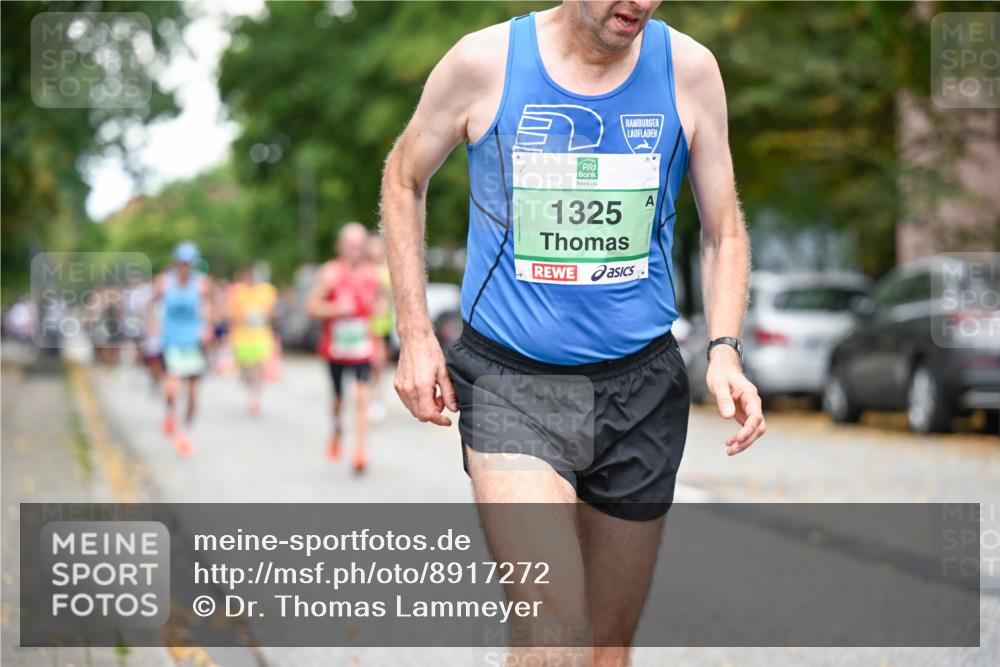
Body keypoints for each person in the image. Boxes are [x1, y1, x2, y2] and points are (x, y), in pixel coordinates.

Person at [380, 2, 766, 663]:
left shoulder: (690, 71)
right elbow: (404, 176)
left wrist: (725, 349)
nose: (638, 2)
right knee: (553, 630)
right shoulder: (484, 63)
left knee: (606, 649)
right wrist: (414, 331)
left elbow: (724, 229)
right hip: (513, 382)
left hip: (641, 386)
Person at [307, 223, 380, 474]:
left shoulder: (372, 274)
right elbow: (311, 306)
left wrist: (378, 310)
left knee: (361, 396)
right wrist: (336, 309)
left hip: (362, 348)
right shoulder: (330, 273)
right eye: (350, 246)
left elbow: (380, 304)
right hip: (336, 349)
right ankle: (337, 429)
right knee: (338, 398)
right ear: (339, 246)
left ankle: (360, 450)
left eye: (359, 246)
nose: (354, 251)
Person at [154, 242, 214, 457]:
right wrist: (152, 328)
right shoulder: (164, 282)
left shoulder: (202, 284)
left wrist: (208, 329)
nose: (185, 267)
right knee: (172, 387)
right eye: (182, 263)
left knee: (193, 392)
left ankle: (186, 433)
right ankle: (171, 412)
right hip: (171, 341)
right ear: (176, 263)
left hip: (193, 341)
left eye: (189, 263)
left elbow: (209, 308)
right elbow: (152, 306)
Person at [228, 264, 278, 416]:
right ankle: (247, 381)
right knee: (247, 370)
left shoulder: (267, 291)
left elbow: (273, 312)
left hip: (261, 337)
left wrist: (265, 316)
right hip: (242, 338)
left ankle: (255, 399)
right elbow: (232, 314)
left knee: (259, 368)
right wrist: (244, 318)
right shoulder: (238, 292)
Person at [367, 235, 395, 422]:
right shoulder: (365, 269)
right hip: (366, 324)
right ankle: (369, 395)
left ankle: (376, 396)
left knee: (379, 363)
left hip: (383, 324)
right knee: (370, 362)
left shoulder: (387, 270)